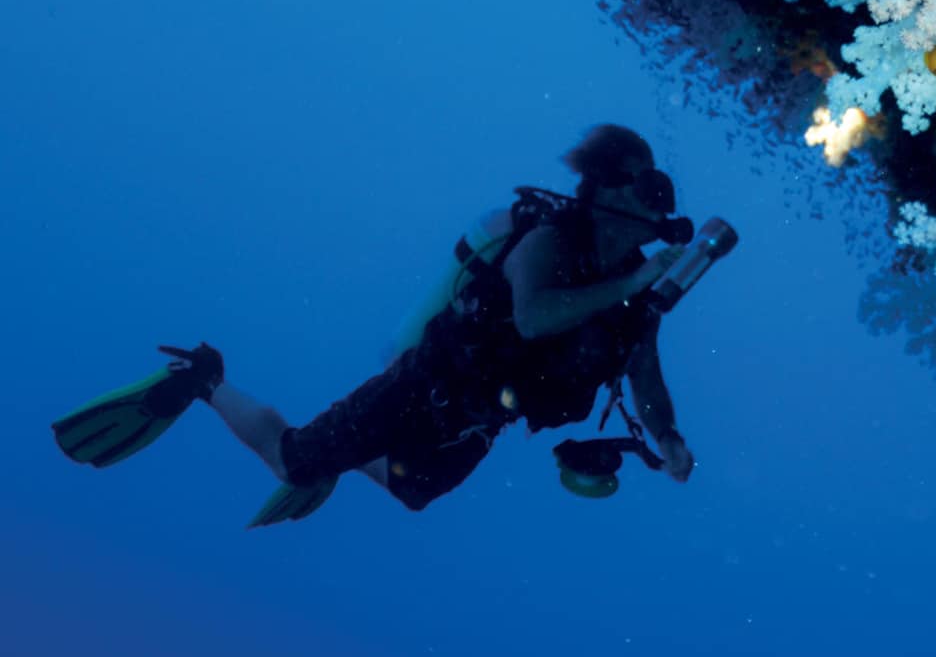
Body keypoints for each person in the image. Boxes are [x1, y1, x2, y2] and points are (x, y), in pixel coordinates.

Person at [53, 125, 734, 525]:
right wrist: (631, 282)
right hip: (425, 384)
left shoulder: (636, 285)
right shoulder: (553, 239)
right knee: (294, 459)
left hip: (480, 418)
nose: (661, 201)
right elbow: (531, 318)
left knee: (413, 493)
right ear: (611, 191)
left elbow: (644, 368)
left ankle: (346, 455)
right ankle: (203, 380)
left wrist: (669, 436)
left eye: (663, 192)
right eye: (650, 187)